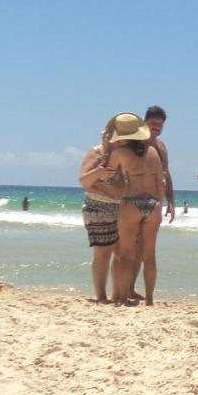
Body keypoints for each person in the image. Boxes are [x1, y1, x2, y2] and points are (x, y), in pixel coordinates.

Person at [109, 112, 166, 306]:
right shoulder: (153, 152)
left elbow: (110, 177)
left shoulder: (120, 153)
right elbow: (160, 182)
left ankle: (124, 297)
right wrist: (160, 205)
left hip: (130, 203)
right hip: (152, 205)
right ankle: (149, 299)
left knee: (127, 255)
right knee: (149, 256)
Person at [78, 117, 127, 303]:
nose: (120, 142)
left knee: (121, 252)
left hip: (120, 207)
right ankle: (101, 296)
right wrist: (99, 172)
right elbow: (83, 181)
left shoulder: (124, 155)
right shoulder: (96, 153)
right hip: (97, 206)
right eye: (117, 138)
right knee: (102, 252)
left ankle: (117, 294)